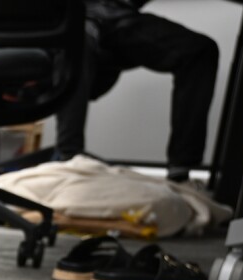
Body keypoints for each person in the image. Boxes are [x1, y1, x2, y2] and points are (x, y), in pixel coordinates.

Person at [54, 0, 219, 182]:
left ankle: (181, 169)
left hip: (118, 13)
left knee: (200, 51)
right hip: (72, 13)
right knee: (77, 42)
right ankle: (69, 159)